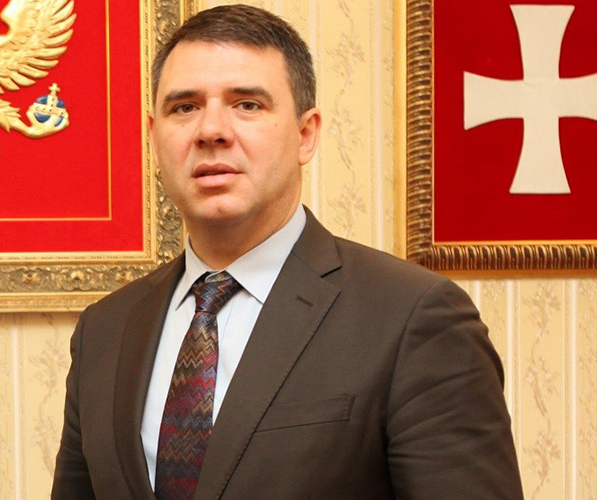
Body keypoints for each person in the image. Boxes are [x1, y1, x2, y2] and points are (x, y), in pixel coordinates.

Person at [50, 5, 521, 499]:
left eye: (247, 104)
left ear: (305, 134)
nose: (211, 130)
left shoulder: (413, 318)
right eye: (184, 107)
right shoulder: (104, 331)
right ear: (154, 137)